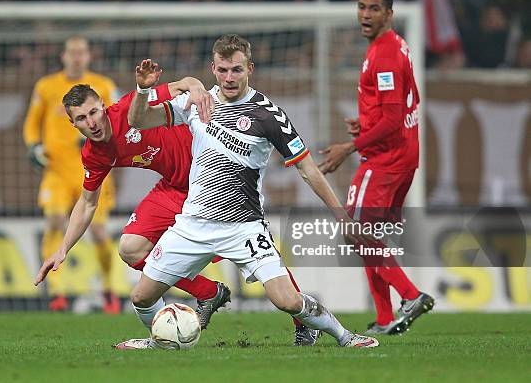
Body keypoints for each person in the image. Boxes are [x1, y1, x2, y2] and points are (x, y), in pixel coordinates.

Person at [115, 34, 379, 349]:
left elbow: (307, 169)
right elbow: (139, 120)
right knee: (141, 296)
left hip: (244, 227)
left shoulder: (268, 115)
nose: (229, 77)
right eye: (224, 69)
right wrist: (144, 90)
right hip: (192, 224)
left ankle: (345, 336)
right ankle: (161, 342)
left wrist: (342, 215)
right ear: (213, 68)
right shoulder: (196, 102)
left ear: (250, 68)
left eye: (237, 70)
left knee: (288, 301)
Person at [33, 78, 321, 346]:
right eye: (81, 118)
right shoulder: (94, 154)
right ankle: (207, 293)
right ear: (72, 124)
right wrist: (63, 248)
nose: (92, 122)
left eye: (94, 112)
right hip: (172, 189)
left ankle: (304, 322)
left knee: (259, 252)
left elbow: (185, 84)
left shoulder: (131, 108)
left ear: (104, 106)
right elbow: (87, 203)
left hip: (211, 183)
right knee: (130, 248)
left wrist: (196, 89)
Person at [318, 0, 434, 335]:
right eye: (362, 7)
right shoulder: (393, 45)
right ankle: (385, 317)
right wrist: (365, 124)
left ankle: (411, 295)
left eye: (374, 9)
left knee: (356, 232)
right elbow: (401, 104)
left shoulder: (384, 54)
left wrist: (347, 148)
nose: (365, 15)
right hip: (403, 155)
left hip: (385, 159)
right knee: (370, 235)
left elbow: (393, 117)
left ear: (389, 14)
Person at [23, 36, 118, 313]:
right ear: (63, 56)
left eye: (82, 52)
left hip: (93, 169)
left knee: (99, 232)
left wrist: (97, 140)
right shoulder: (46, 86)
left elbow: (118, 118)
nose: (76, 57)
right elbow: (31, 124)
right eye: (72, 52)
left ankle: (108, 288)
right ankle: (57, 291)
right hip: (56, 170)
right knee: (54, 220)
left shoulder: (103, 86)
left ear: (88, 56)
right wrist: (33, 146)